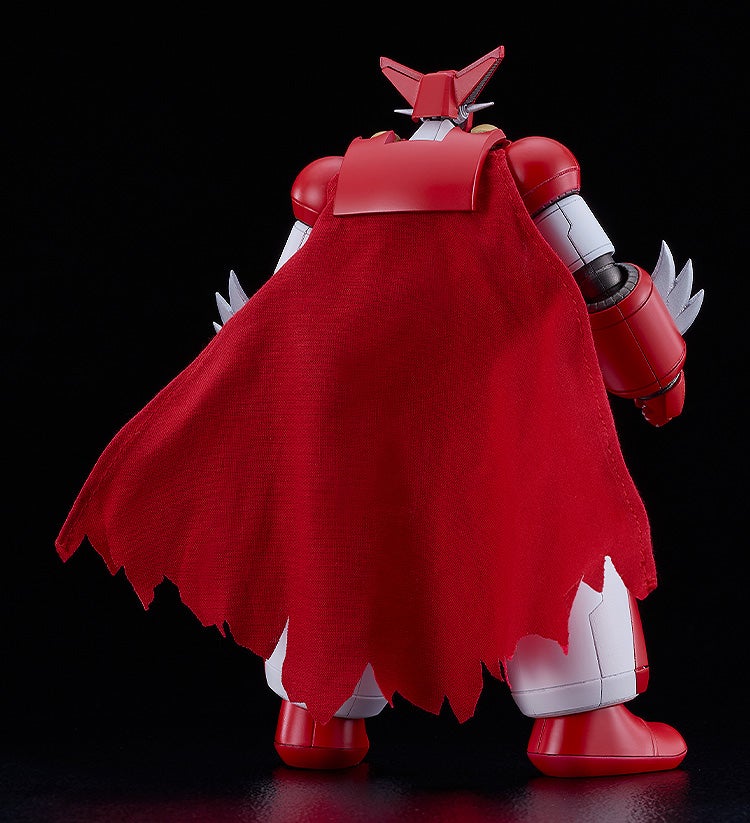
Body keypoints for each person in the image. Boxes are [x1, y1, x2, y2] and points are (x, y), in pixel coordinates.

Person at [56, 46, 703, 778]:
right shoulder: (528, 168)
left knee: (339, 533)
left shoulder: (331, 181)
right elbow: (600, 279)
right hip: (493, 399)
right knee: (555, 529)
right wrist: (657, 378)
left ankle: (316, 716)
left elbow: (279, 301)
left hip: (348, 405)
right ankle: (585, 724)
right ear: (476, 115)